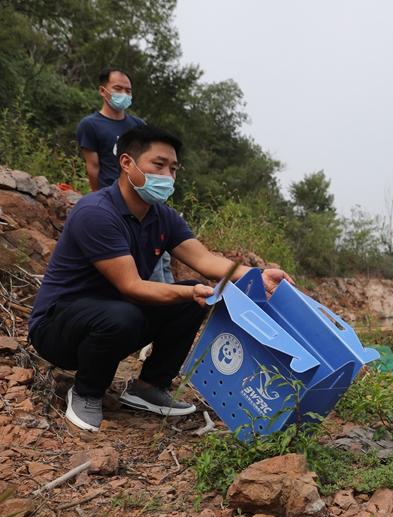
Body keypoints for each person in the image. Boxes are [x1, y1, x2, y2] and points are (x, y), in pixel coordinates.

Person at [28, 125, 293, 433]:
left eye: (173, 168)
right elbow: (132, 286)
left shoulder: (161, 216)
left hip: (113, 315)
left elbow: (206, 260)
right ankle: (87, 391)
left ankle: (149, 386)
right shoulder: (96, 212)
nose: (168, 175)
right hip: (58, 328)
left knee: (190, 301)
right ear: (127, 163)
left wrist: (259, 275)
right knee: (135, 311)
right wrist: (189, 292)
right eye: (158, 164)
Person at [76, 67, 173, 283]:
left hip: (144, 198)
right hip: (116, 200)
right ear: (103, 91)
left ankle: (169, 297)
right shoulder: (90, 125)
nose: (124, 95)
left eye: (128, 90)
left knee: (161, 255)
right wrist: (100, 199)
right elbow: (93, 166)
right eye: (118, 89)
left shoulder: (137, 125)